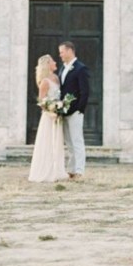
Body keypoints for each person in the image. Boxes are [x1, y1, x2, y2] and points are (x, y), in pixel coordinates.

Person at [27, 54, 67, 182]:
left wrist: (61, 107)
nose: (55, 62)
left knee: (57, 142)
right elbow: (42, 101)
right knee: (48, 142)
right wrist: (51, 111)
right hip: (49, 116)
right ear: (48, 65)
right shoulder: (44, 81)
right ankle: (46, 171)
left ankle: (57, 170)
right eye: (52, 61)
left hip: (58, 115)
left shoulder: (56, 78)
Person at [58, 40, 90, 179]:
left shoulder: (80, 68)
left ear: (70, 51)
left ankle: (79, 170)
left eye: (62, 52)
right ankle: (71, 170)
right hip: (63, 111)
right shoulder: (62, 68)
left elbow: (85, 91)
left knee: (77, 141)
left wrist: (79, 110)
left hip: (75, 112)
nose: (60, 55)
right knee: (69, 143)